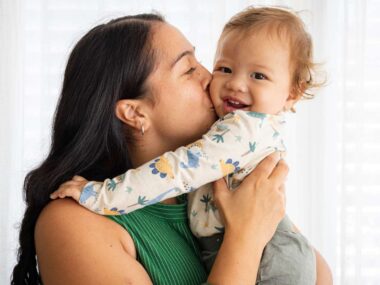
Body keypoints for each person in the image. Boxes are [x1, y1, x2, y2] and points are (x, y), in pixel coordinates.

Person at [50, 7, 333, 285]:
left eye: (201, 63)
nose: (211, 78)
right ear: (135, 113)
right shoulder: (72, 222)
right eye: (188, 69)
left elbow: (319, 275)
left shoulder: (217, 176)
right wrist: (245, 236)